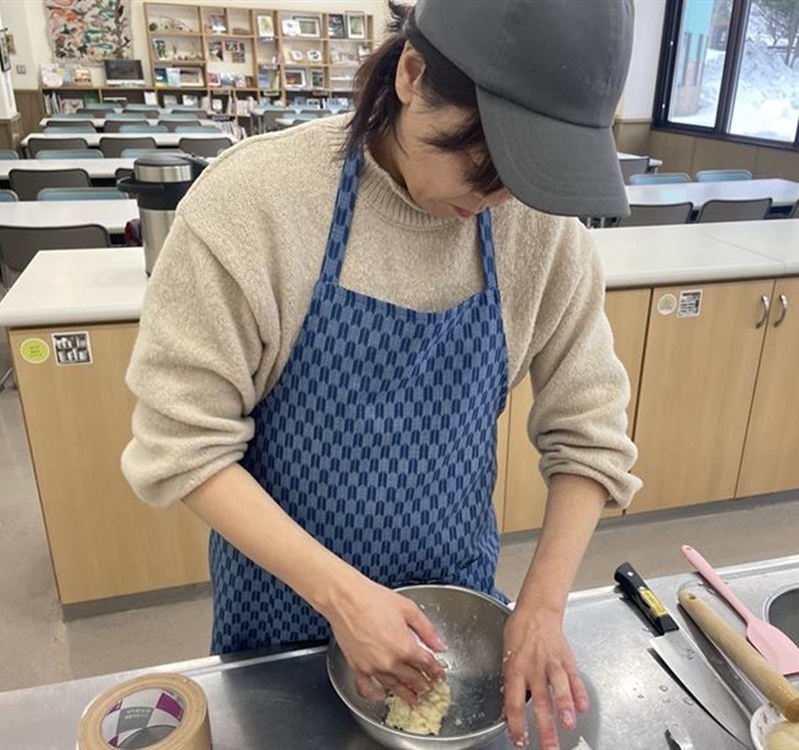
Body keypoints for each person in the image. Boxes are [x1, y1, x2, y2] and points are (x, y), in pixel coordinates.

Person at [122, 1, 640, 747]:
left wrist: (542, 608)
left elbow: (591, 435)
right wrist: (340, 597)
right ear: (412, 73)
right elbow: (181, 445)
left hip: (455, 620)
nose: (488, 203)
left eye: (518, 180)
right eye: (479, 165)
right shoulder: (256, 202)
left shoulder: (539, 229)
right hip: (281, 621)